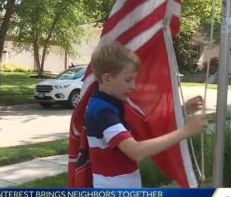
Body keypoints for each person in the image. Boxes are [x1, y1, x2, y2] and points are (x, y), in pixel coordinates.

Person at [85, 42, 207, 188]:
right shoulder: (103, 111)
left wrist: (183, 110)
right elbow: (136, 151)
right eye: (128, 80)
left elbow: (146, 125)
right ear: (107, 78)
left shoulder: (113, 103)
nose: (133, 86)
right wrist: (186, 131)